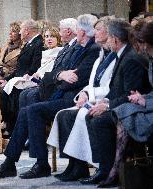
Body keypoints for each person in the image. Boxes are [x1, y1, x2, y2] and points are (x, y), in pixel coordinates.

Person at [0, 14, 100, 180]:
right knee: (26, 110)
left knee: (32, 110)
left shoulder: (92, 50)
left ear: (82, 32)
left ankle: (40, 163)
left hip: (74, 98)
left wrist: (57, 77)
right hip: (63, 93)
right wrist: (59, 75)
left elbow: (78, 77)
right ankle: (10, 163)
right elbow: (57, 73)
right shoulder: (78, 48)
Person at [78, 19, 151, 186]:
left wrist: (108, 105)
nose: (108, 41)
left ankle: (111, 170)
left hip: (136, 106)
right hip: (125, 102)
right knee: (92, 115)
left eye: (109, 37)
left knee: (100, 121)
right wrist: (104, 100)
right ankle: (103, 168)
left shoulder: (131, 58)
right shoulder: (122, 54)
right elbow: (116, 89)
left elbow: (130, 93)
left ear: (116, 39)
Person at [47, 16, 116, 181]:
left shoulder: (113, 55)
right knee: (63, 114)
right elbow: (93, 81)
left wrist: (90, 95)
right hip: (92, 97)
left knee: (74, 115)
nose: (94, 33)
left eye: (98, 30)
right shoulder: (102, 53)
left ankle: (98, 167)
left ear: (110, 33)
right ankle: (75, 165)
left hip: (105, 101)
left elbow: (111, 86)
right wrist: (85, 93)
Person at [98, 20, 153, 188]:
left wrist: (145, 101)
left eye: (140, 43)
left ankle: (117, 167)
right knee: (123, 110)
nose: (139, 48)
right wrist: (142, 96)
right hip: (150, 103)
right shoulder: (151, 59)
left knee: (123, 113)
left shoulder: (136, 58)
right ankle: (119, 167)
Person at [1, 26, 62, 137]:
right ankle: (22, 130)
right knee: (22, 93)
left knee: (27, 94)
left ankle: (31, 133)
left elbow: (53, 70)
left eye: (52, 36)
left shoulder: (60, 52)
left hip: (51, 84)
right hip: (40, 81)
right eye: (47, 36)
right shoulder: (46, 52)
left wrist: (38, 75)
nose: (49, 39)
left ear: (58, 38)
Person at [0, 19, 44, 136]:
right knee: (2, 91)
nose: (20, 33)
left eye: (22, 30)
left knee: (11, 94)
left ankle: (13, 128)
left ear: (28, 31)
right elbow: (19, 68)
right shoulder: (29, 44)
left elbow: (35, 66)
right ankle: (9, 124)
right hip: (19, 79)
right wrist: (7, 79)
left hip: (29, 80)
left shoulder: (39, 43)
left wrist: (22, 77)